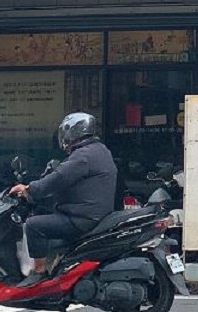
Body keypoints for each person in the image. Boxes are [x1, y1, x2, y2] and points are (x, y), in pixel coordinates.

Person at [10, 112, 117, 286]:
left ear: (72, 132)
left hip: (82, 218)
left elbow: (59, 177)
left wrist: (30, 189)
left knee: (34, 225)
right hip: (94, 214)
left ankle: (39, 273)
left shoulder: (83, 156)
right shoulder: (99, 150)